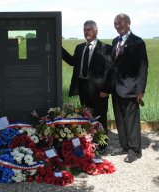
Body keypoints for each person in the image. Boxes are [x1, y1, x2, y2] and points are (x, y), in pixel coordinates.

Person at [62, 20, 112, 152]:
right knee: (87, 116)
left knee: (100, 117)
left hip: (99, 90)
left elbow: (110, 71)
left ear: (96, 31)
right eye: (84, 29)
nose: (86, 32)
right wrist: (59, 48)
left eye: (89, 29)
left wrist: (106, 89)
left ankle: (102, 145)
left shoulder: (106, 48)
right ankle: (90, 143)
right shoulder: (79, 48)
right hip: (83, 88)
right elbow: (72, 62)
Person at [111, 13, 148, 163]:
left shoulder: (138, 42)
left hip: (131, 89)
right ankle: (125, 146)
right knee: (120, 119)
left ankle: (135, 150)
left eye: (120, 23)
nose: (117, 26)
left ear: (128, 23)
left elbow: (143, 67)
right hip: (116, 88)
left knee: (131, 120)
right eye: (115, 24)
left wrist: (141, 90)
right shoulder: (115, 41)